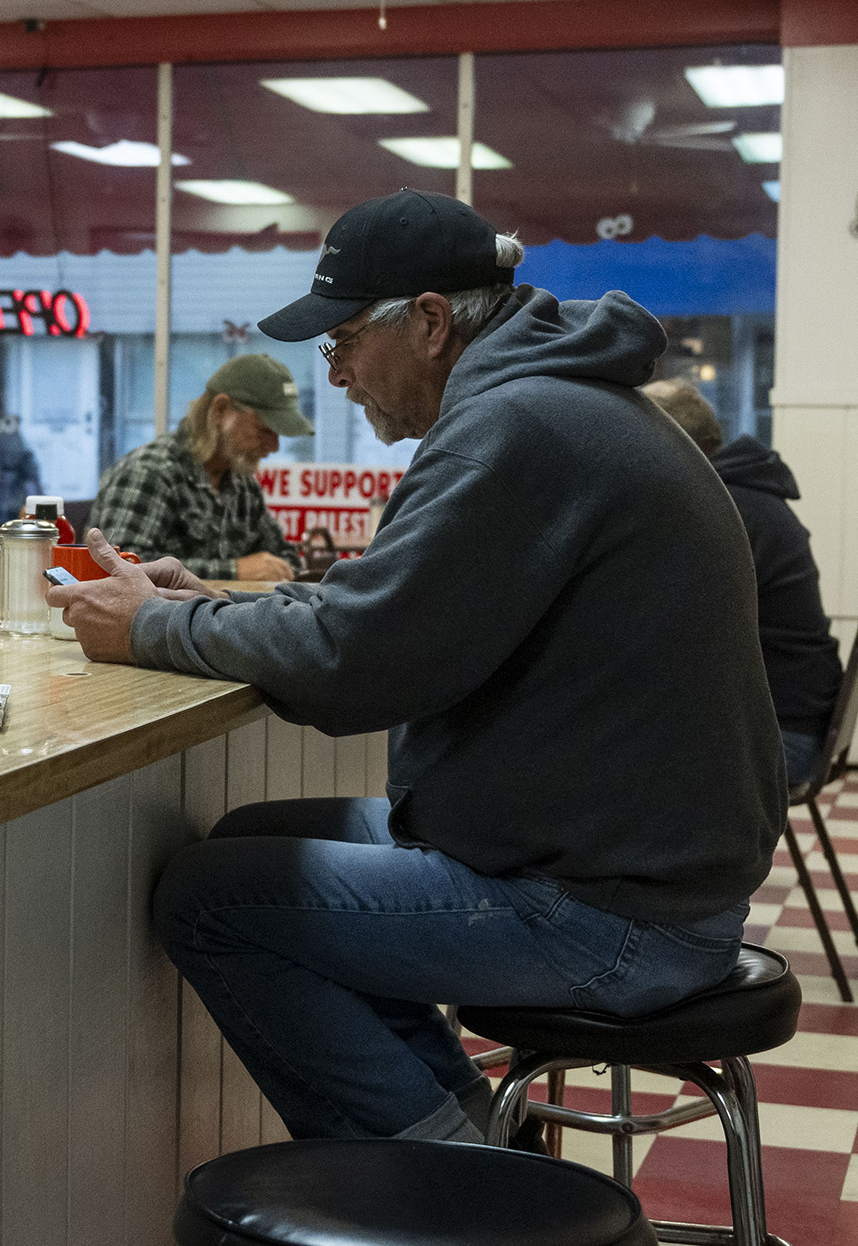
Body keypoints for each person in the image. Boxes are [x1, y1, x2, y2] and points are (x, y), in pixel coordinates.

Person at [46, 188, 782, 1147]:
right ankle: (476, 1136)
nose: (338, 372)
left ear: (431, 322)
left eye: (344, 340)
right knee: (255, 836)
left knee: (211, 898)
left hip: (613, 916)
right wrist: (203, 608)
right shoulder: (552, 402)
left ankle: (457, 1186)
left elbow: (355, 665)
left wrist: (149, 629)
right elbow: (393, 612)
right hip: (634, 871)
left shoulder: (517, 428)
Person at [643, 378, 842, 791]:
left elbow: (668, 628)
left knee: (598, 768)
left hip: (779, 742)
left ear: (668, 447)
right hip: (792, 723)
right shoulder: (744, 494)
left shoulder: (723, 508)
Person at [88, 354, 312, 581]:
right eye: (264, 430)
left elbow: (283, 556)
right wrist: (234, 571)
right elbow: (120, 566)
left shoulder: (240, 484)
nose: (274, 446)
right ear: (221, 411)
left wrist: (279, 567)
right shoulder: (150, 472)